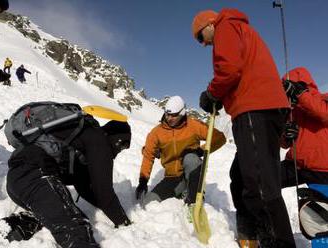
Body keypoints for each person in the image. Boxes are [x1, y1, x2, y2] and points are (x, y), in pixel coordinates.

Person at [192, 9, 295, 248]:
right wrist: (220, 95)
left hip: (254, 110)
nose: (203, 44)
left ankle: (277, 242)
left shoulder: (225, 27)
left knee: (260, 184)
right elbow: (236, 70)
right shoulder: (239, 29)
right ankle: (249, 230)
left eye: (200, 37)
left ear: (208, 24)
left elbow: (229, 69)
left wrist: (211, 93)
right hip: (259, 110)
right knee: (240, 176)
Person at [3, 114, 132, 247]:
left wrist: (104, 207)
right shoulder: (99, 141)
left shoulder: (81, 140)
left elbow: (84, 187)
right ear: (117, 139)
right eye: (123, 145)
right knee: (76, 229)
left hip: (18, 181)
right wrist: (124, 223)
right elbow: (104, 192)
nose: (120, 150)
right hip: (36, 178)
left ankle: (22, 224)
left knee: (70, 214)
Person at [135, 96, 226, 206]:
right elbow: (148, 155)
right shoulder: (156, 133)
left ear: (182, 113)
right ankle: (182, 191)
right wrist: (143, 181)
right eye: (167, 114)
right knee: (149, 202)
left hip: (192, 172)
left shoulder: (193, 125)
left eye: (174, 115)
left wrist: (200, 151)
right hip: (172, 177)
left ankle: (194, 200)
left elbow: (220, 138)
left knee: (191, 158)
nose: (169, 118)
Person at [280, 67, 328, 187]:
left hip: (321, 170)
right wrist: (285, 135)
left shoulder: (323, 99)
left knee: (318, 204)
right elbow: (283, 144)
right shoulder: (292, 109)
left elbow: (323, 114)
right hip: (295, 165)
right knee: (263, 182)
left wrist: (301, 95)